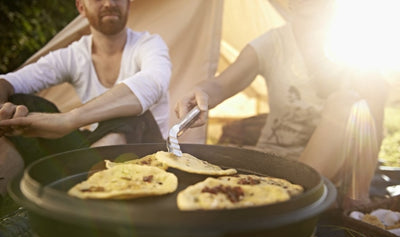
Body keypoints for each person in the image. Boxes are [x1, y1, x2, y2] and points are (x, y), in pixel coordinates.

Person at [175, 0, 389, 208]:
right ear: (292, 5)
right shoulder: (273, 44)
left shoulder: (354, 47)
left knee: (348, 101)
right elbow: (222, 85)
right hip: (276, 163)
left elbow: (373, 120)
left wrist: (358, 192)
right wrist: (202, 93)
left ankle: (314, 197)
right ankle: (299, 198)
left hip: (333, 170)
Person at [0, 0, 171, 195]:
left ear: (128, 5)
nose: (108, 3)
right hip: (94, 153)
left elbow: (154, 82)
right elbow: (10, 81)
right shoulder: (73, 55)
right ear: (81, 8)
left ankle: (81, 190)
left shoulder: (149, 44)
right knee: (22, 102)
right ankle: (14, 205)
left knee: (133, 114)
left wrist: (69, 119)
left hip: (148, 154)